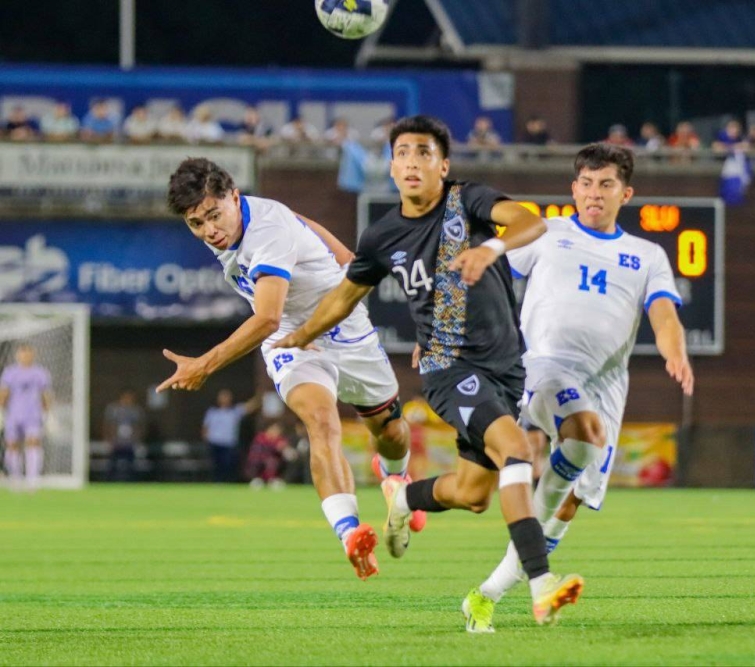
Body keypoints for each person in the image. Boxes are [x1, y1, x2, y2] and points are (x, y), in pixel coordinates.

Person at [273, 114, 583, 625]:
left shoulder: (470, 201)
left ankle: (404, 498)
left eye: (423, 153)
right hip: (446, 368)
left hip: (505, 369)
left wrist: (490, 246)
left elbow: (532, 221)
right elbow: (343, 297)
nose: (412, 162)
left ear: (443, 165)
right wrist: (300, 337)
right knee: (517, 449)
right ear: (391, 167)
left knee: (472, 494)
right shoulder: (381, 236)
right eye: (402, 153)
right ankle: (541, 584)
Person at [461, 143, 695, 633]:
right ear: (573, 189)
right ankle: (542, 587)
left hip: (605, 387)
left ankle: (487, 595)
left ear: (624, 193)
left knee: (568, 501)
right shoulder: (547, 234)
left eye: (606, 184)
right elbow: (488, 279)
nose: (594, 193)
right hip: (541, 365)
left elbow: (664, 314)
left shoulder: (646, 255)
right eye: (586, 184)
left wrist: (675, 350)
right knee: (583, 436)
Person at [159, 157, 420, 581]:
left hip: (341, 326)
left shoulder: (266, 232)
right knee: (320, 421)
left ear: (234, 197)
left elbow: (262, 315)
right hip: (288, 336)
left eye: (213, 215)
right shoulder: (234, 222)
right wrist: (343, 254)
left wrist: (203, 366)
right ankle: (351, 534)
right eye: (196, 223)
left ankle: (395, 479)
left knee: (390, 431)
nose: (209, 230)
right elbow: (297, 226)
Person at [0, 345, 52, 490]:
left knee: (33, 442)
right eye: (23, 354)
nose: (25, 357)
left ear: (32, 355)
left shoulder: (40, 373)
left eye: (28, 354)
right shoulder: (10, 373)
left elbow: (45, 395)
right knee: (12, 445)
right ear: (18, 356)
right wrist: (1, 411)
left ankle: (32, 479)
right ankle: (15, 478)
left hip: (33, 414)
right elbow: (4, 393)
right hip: (14, 414)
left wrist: (48, 413)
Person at [203, 389, 260, 483]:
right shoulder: (212, 412)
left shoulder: (234, 412)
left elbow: (249, 407)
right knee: (216, 465)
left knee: (228, 465)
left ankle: (227, 482)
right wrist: (206, 439)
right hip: (215, 442)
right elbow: (205, 428)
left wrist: (260, 395)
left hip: (228, 443)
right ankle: (216, 482)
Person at [103, 389, 145, 482]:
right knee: (112, 464)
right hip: (116, 442)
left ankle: (132, 481)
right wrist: (109, 439)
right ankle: (108, 481)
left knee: (131, 464)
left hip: (129, 443)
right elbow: (108, 425)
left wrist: (137, 440)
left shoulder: (135, 410)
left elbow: (138, 426)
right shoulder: (114, 409)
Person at [245, 421, 290, 489]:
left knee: (279, 461)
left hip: (273, 461)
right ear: (268, 429)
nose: (275, 432)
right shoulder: (260, 437)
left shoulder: (280, 439)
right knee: (270, 461)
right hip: (257, 461)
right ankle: (258, 480)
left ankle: (273, 480)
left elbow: (285, 447)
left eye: (277, 430)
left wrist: (284, 449)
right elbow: (260, 451)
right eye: (274, 429)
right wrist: (275, 447)